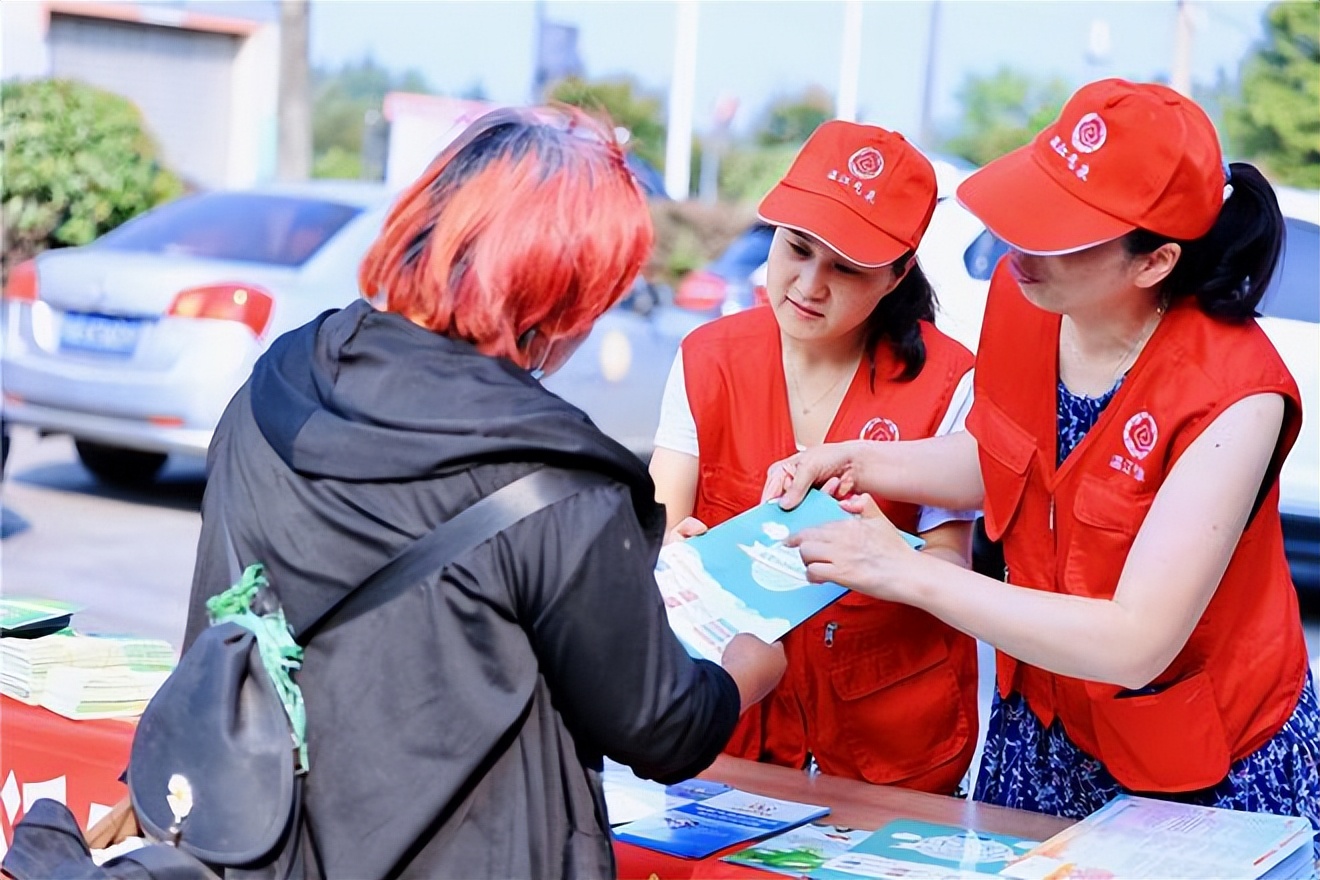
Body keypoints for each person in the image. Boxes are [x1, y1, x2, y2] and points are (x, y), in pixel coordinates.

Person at [181, 107, 786, 879]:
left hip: (257, 844)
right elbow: (660, 726)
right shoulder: (553, 481)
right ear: (563, 301)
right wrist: (743, 672)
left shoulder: (273, 387)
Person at [764, 79, 1320, 849]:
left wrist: (907, 571)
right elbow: (1005, 458)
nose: (1019, 247)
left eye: (1060, 233)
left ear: (1154, 262)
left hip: (1199, 758)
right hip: (1044, 722)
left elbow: (1136, 641)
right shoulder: (1025, 298)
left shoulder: (1233, 393)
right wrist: (855, 460)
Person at [648, 120, 980, 794]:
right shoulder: (708, 358)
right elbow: (659, 523)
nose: (808, 284)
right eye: (796, 248)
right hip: (738, 725)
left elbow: (953, 565)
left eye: (846, 269)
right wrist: (675, 553)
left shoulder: (948, 382)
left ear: (898, 275)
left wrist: (892, 561)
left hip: (888, 740)